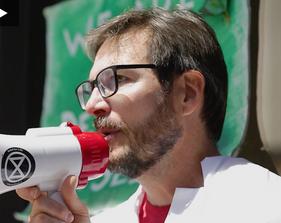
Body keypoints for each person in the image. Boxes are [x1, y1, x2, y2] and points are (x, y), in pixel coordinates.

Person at [16, 6, 281, 223]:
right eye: (93, 87)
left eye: (117, 78)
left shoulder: (267, 205)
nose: (91, 105)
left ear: (186, 93)